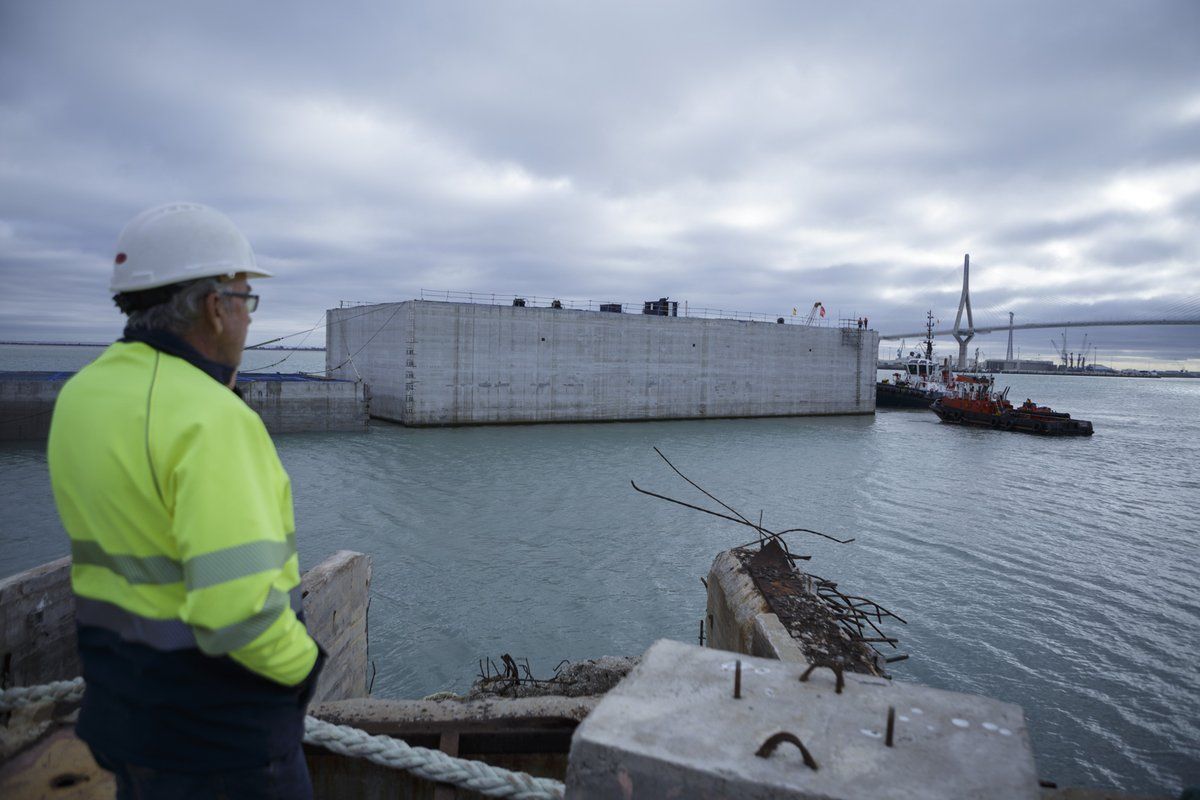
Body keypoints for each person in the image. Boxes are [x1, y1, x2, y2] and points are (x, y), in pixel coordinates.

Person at [47, 203, 324, 798]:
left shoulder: (82, 395)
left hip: (122, 713)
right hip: (219, 736)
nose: (249, 319)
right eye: (246, 300)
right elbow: (239, 612)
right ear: (213, 307)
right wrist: (305, 669)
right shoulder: (209, 418)